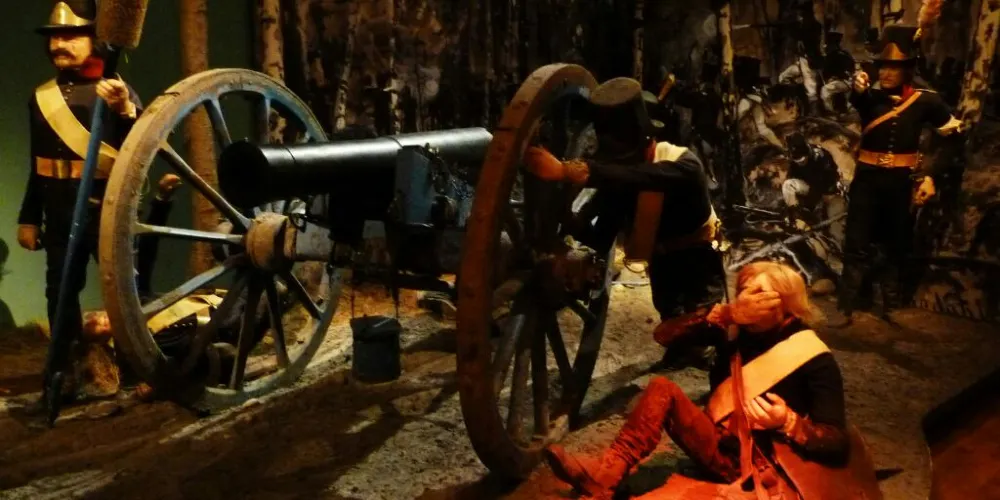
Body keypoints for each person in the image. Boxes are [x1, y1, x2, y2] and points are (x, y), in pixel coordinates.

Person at [543, 261, 882, 499]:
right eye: (744, 290)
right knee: (661, 388)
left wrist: (789, 423)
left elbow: (836, 441)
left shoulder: (813, 357)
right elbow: (663, 335)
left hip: (762, 464)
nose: (747, 298)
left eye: (759, 293)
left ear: (786, 305)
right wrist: (721, 314)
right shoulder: (734, 327)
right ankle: (605, 478)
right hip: (718, 442)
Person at [524, 77, 724, 368]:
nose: (620, 164)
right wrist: (564, 218)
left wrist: (573, 171)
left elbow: (644, 177)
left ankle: (707, 357)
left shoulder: (684, 165)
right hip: (662, 258)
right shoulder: (623, 182)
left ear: (646, 142)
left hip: (698, 257)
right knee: (669, 314)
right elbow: (601, 236)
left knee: (704, 323)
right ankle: (680, 351)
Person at [15, 0, 143, 400]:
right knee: (60, 296)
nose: (60, 45)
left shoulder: (116, 91)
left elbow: (140, 151)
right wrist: (29, 217)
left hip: (106, 211)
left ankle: (136, 369)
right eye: (55, 38)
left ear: (93, 40)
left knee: (123, 295)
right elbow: (37, 165)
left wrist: (125, 109)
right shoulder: (41, 97)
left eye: (71, 36)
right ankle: (63, 373)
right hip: (59, 212)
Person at [833, 24, 962, 327]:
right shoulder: (869, 97)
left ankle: (891, 305)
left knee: (895, 244)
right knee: (856, 243)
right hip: (867, 181)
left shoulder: (927, 100)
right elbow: (858, 99)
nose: (886, 73)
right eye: (882, 66)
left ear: (908, 70)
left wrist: (930, 175)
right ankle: (846, 305)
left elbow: (953, 137)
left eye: (894, 67)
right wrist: (858, 88)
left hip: (901, 183)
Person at [819, 31, 856, 116]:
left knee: (825, 90)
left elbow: (847, 71)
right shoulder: (842, 54)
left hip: (845, 82)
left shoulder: (837, 55)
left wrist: (835, 77)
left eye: (828, 44)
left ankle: (830, 112)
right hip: (843, 82)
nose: (826, 47)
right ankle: (838, 110)